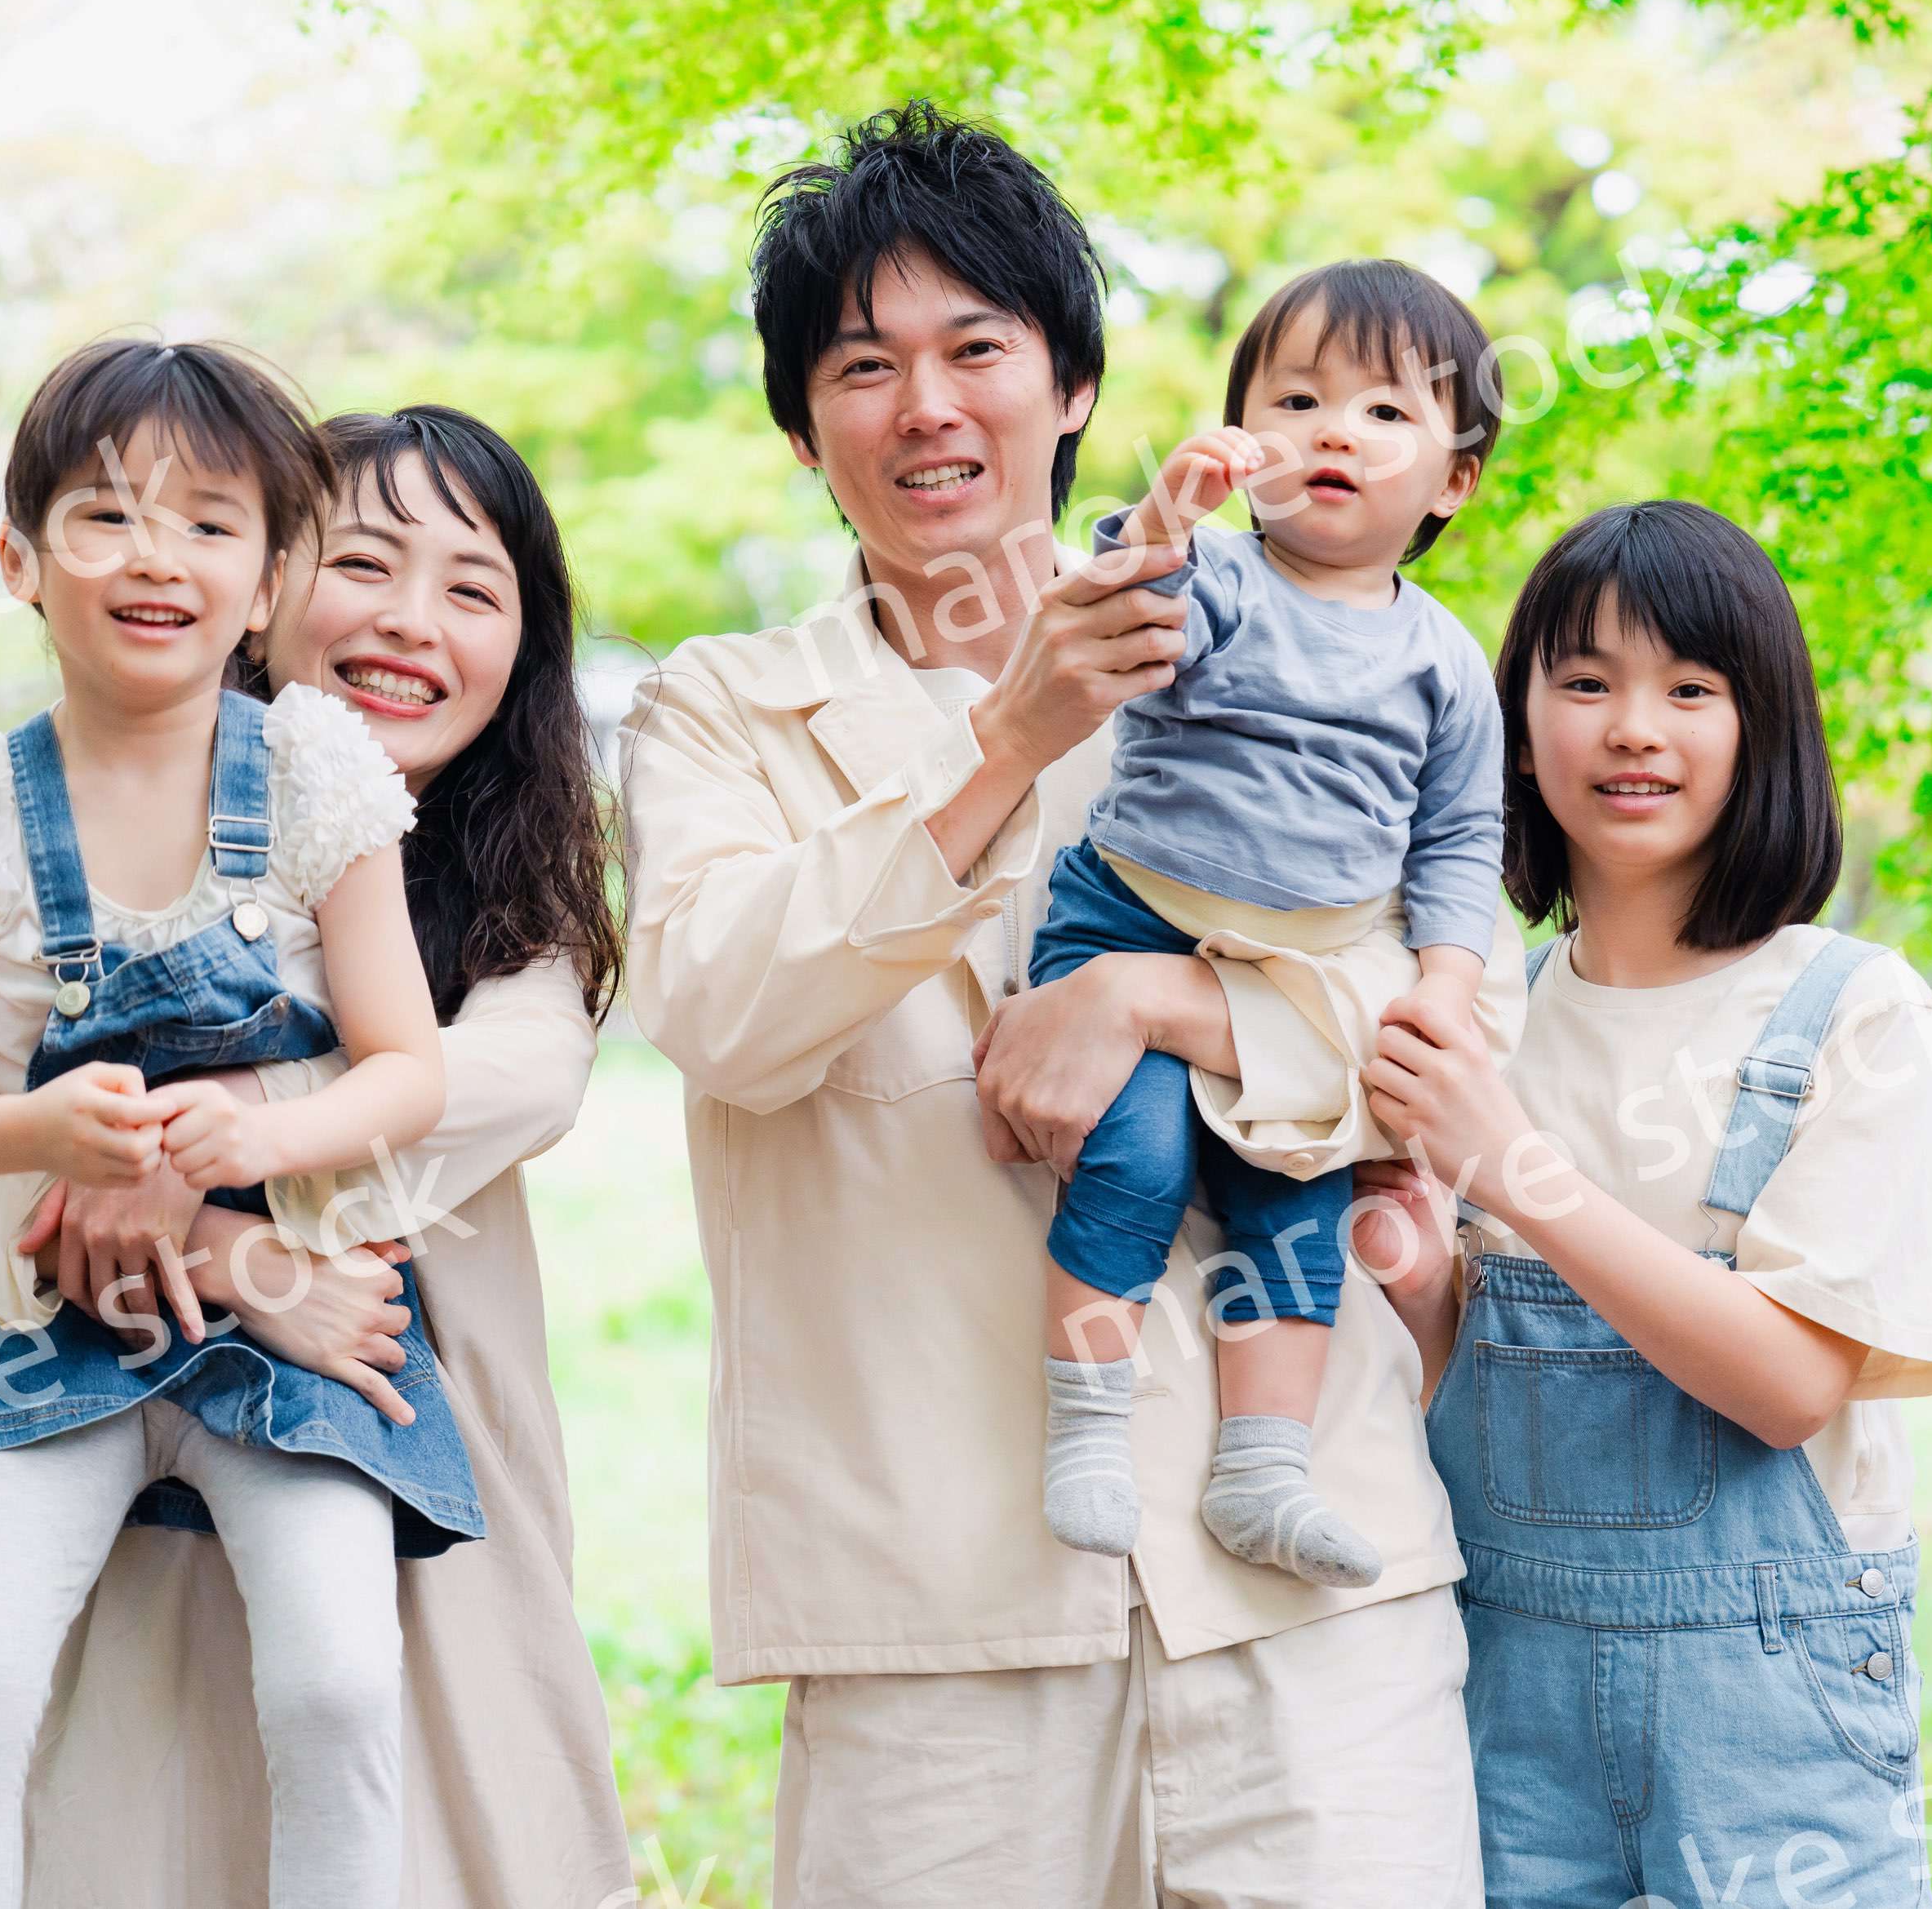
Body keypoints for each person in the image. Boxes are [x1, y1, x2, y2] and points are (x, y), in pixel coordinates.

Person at [621, 101, 1495, 1907]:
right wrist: (1007, 742)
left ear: (1073, 383)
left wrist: (1158, 1000)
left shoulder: (1271, 653)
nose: (925, 407)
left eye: (977, 350)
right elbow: (719, 1012)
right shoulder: (717, 713)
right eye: (862, 367)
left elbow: (1440, 1042)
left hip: (1305, 1596)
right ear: (801, 427)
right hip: (937, 1624)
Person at [0, 401, 634, 1909]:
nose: (410, 621)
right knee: (135, 1803)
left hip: (394, 1416)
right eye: (365, 564)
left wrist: (188, 1156)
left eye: (472, 588)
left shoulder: (517, 909)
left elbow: (485, 1086)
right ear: (275, 592)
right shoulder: (45, 825)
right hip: (121, 1431)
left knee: (406, 1775)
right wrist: (228, 1249)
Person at [1357, 499, 1932, 1909]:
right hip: (1502, 1686)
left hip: (1772, 1717)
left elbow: (1789, 1386)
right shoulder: (1474, 1016)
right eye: (1585, 682)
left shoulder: (1856, 1014)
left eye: (1692, 689)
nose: (1635, 729)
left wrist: (1515, 1170)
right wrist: (1420, 1275)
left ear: (1763, 731)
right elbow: (1458, 1391)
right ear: (1517, 733)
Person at [1033, 259, 1508, 1593]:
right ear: (1246, 439)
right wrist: (1165, 520)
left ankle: (1264, 1471)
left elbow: (1460, 838)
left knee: (1294, 1200)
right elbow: (1127, 609)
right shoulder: (1229, 581)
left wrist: (1447, 981)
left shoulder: (1444, 658)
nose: (1333, 432)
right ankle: (1086, 1426)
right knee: (1132, 1159)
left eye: (1385, 411)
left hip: (1308, 971)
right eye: (1296, 402)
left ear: (1455, 479)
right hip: (1134, 919)